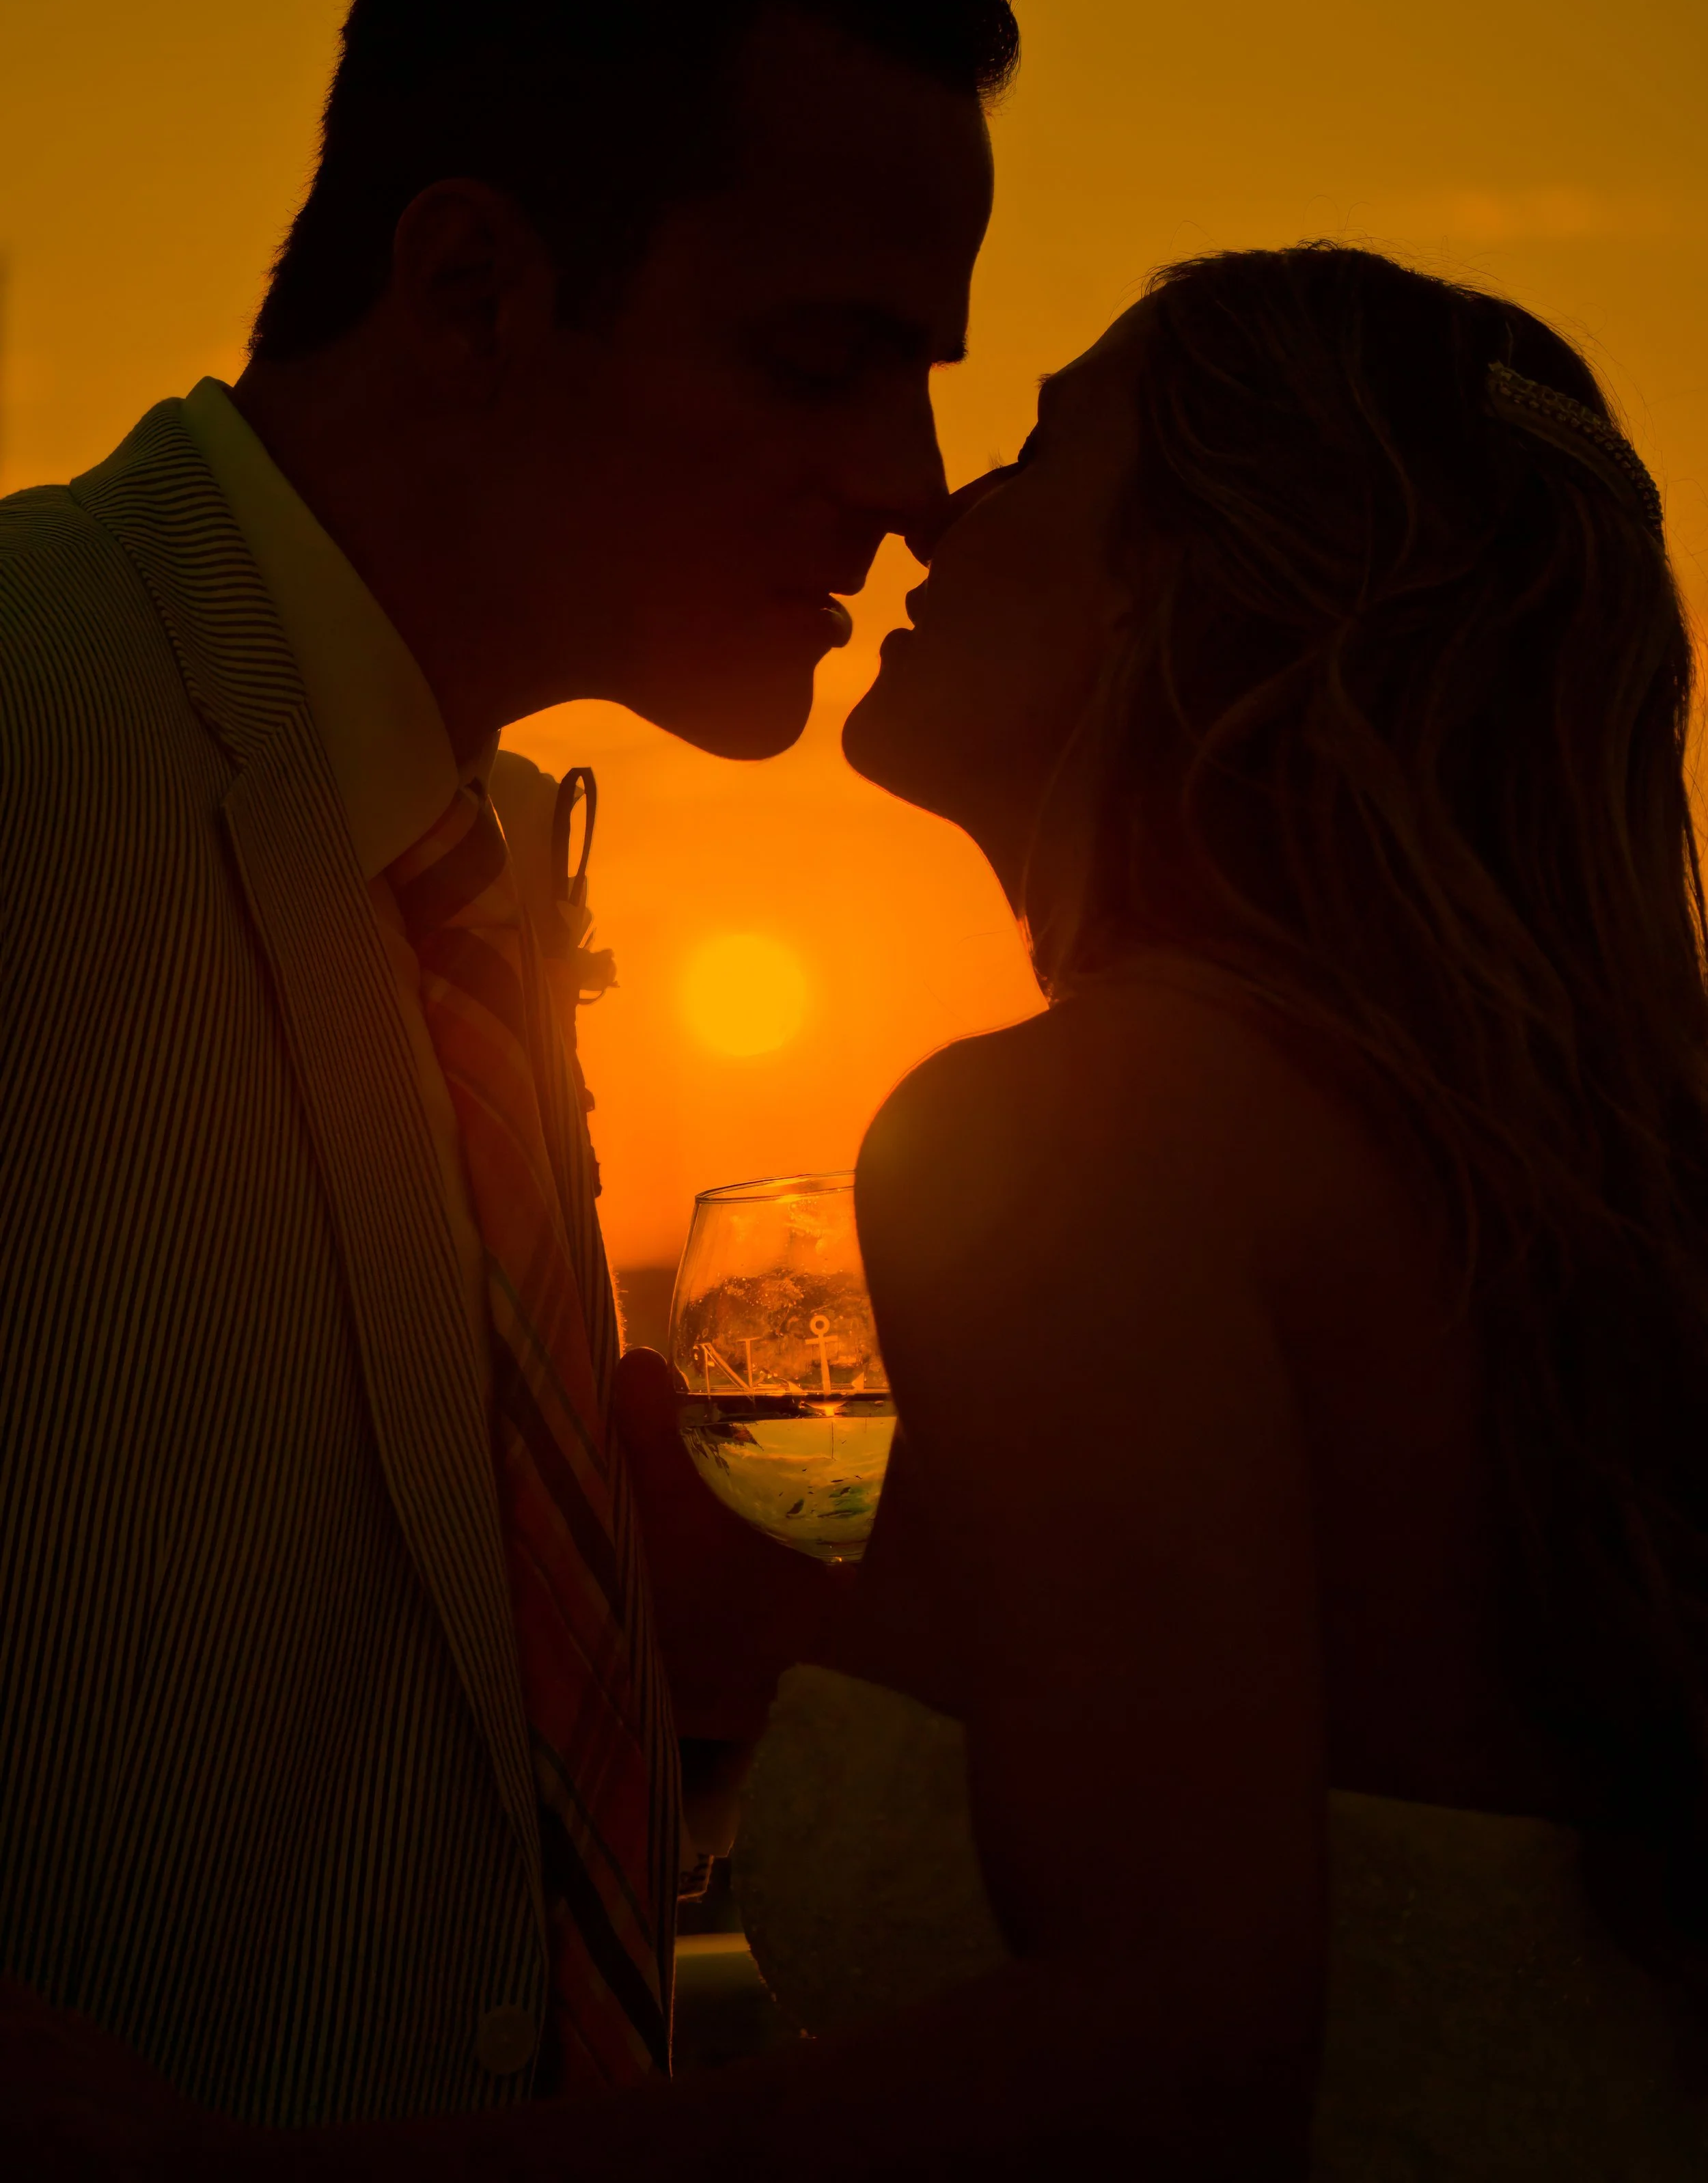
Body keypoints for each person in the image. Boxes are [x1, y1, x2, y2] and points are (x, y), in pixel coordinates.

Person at [0, 0, 1012, 2145]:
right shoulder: (24, 711)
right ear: (471, 289)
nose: (912, 481)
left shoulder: (461, 860)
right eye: (820, 358)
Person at [711, 245, 1708, 2175]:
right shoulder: (1564, 1183)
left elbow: (1159, 2054)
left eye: (1031, 454)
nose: (930, 509)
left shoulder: (1078, 1132)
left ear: (1181, 583)